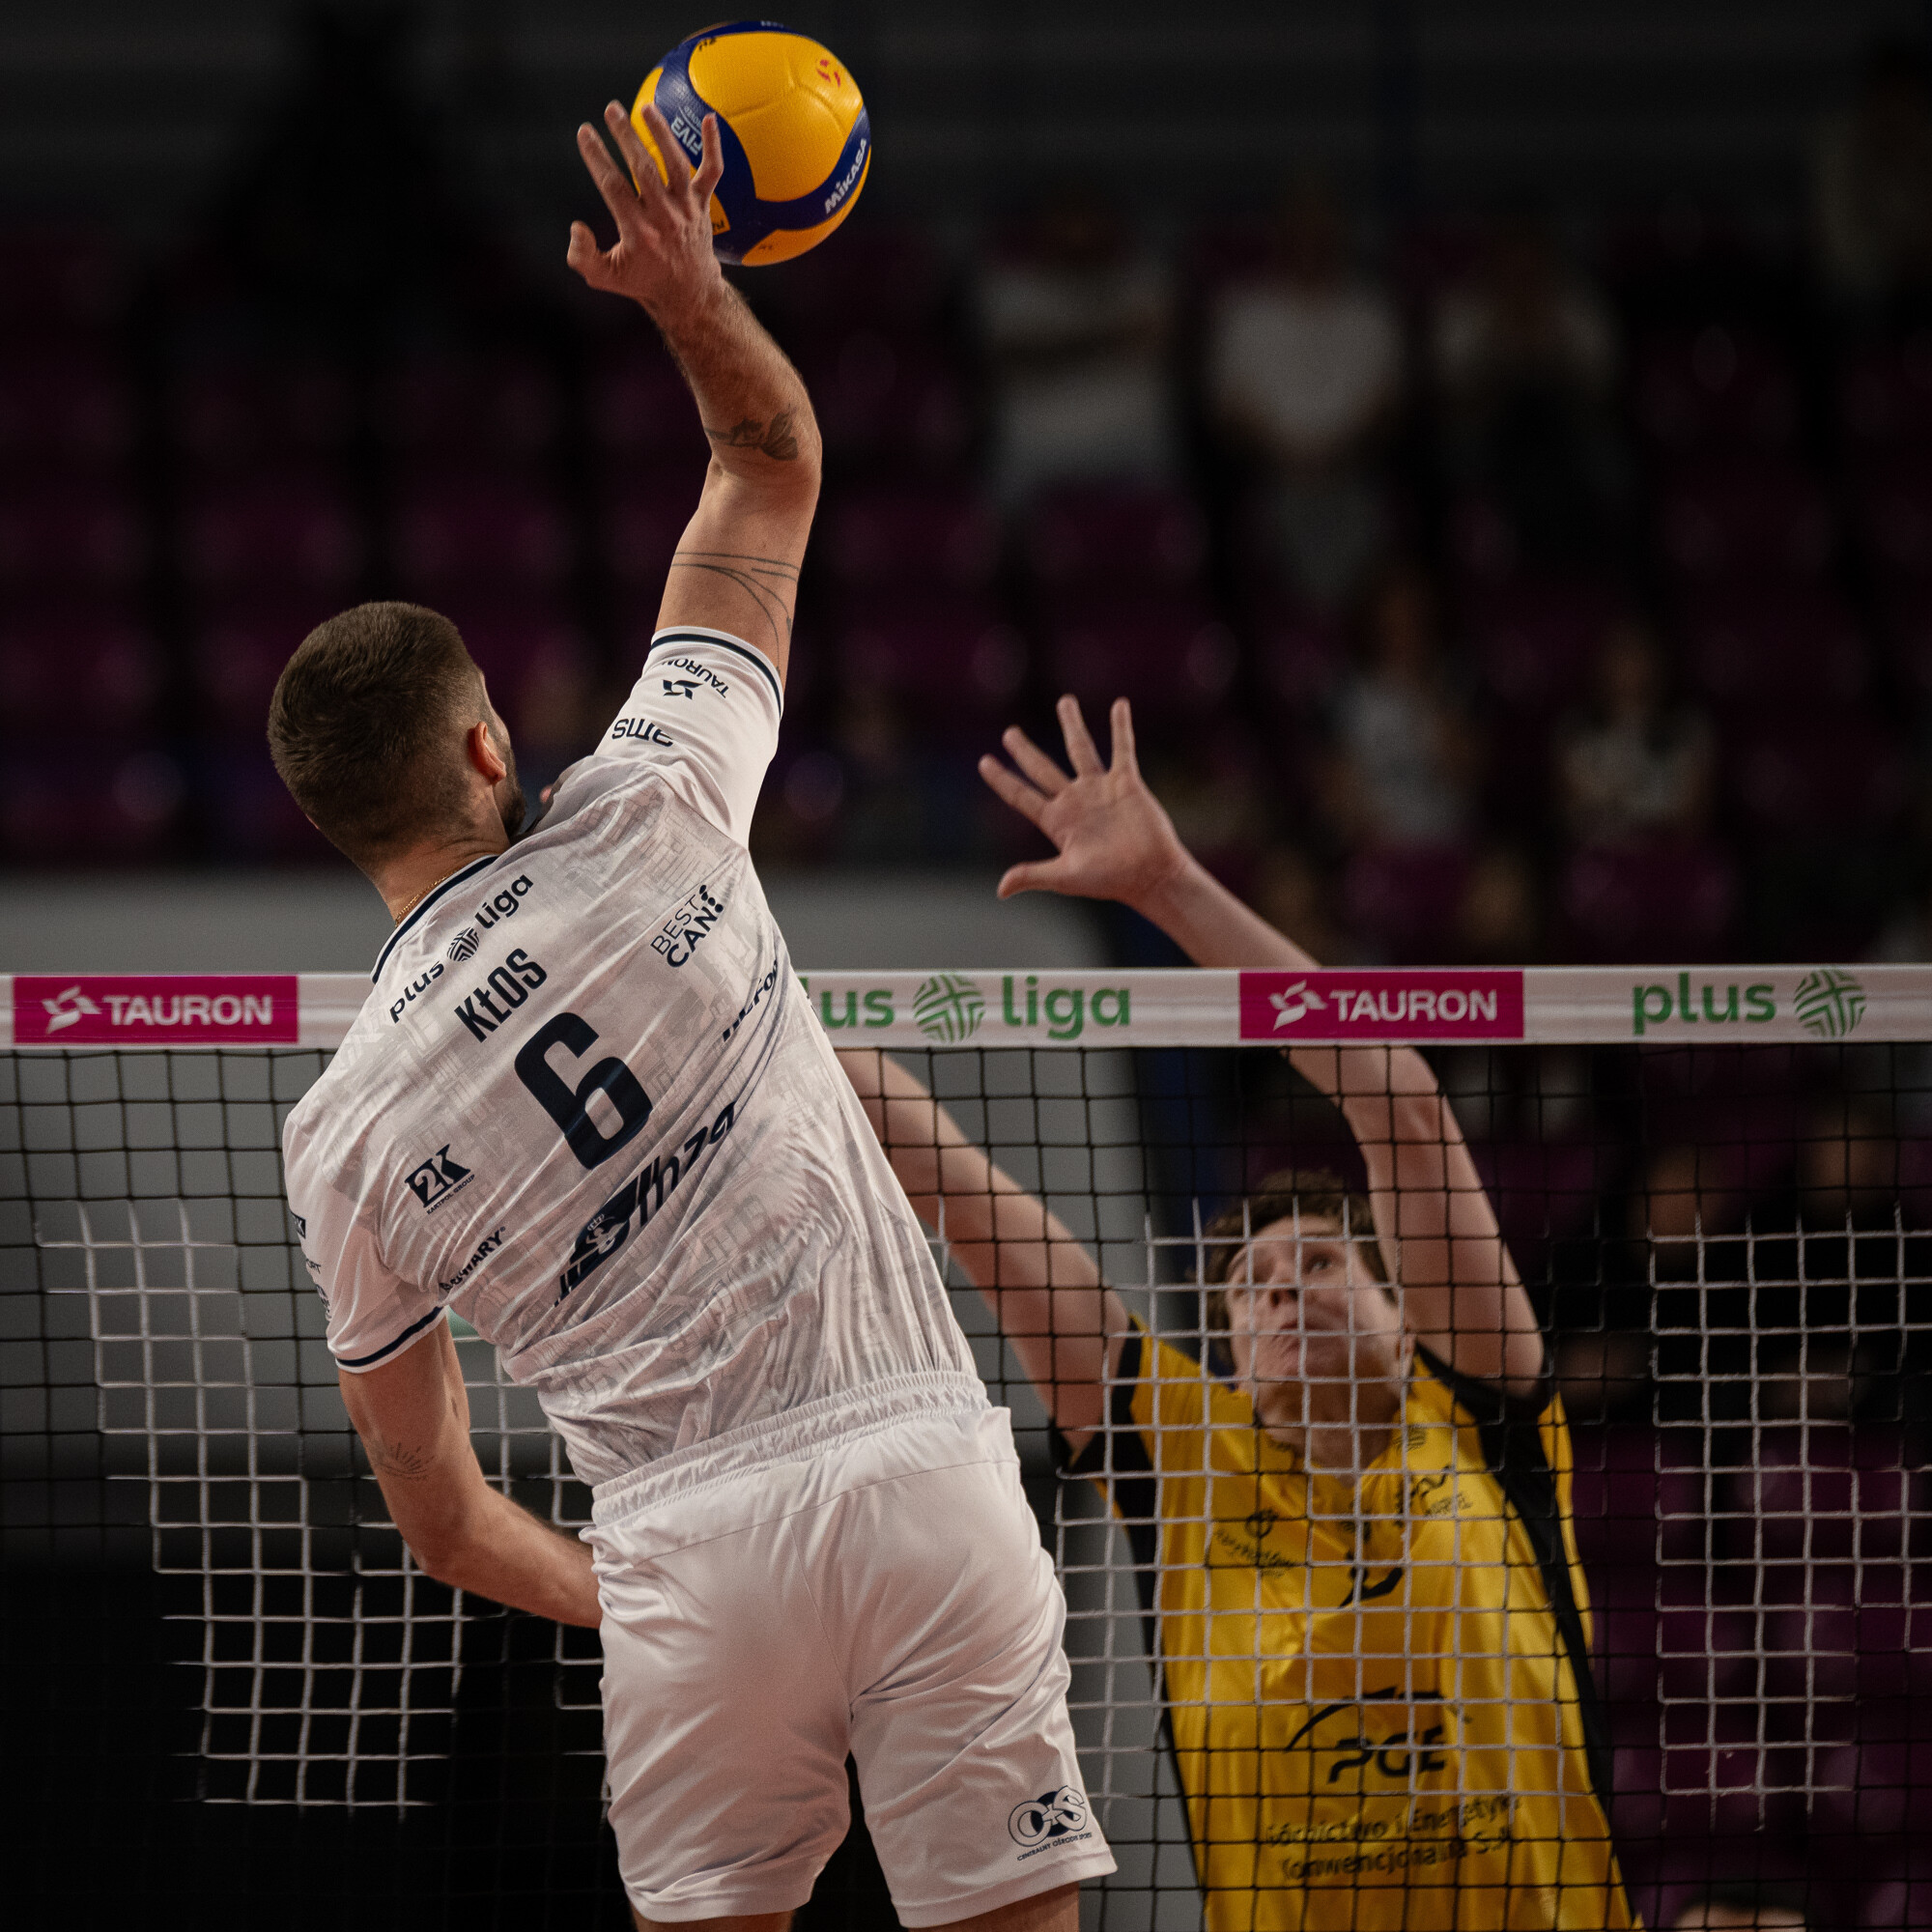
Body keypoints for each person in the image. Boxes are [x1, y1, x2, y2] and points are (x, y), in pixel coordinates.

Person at [269, 102, 1112, 1932]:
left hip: (681, 1546)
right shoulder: (652, 803)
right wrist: (684, 296)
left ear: (334, 826)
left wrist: (639, 1592)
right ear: (489, 744)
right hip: (916, 1468)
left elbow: (439, 1518)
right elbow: (770, 465)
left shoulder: (340, 1137)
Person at [840, 696, 1634, 1930]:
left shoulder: (1480, 1419)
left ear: (1402, 1315)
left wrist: (1167, 886)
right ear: (1229, 1355)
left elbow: (1397, 1101)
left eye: (1319, 1260)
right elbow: (944, 1173)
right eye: (1251, 1286)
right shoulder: (1182, 1452)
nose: (1281, 1288)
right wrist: (762, 1009)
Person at [1207, 178, 1403, 610]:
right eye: (1299, 227)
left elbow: (1387, 408)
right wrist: (1288, 457)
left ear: (1341, 235)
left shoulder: (1371, 311)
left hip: (1352, 468)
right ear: (1279, 234)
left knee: (1369, 520)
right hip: (1269, 472)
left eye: (1322, 228)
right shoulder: (1244, 312)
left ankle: (1346, 619)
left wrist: (1334, 456)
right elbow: (1230, 412)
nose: (1310, 240)